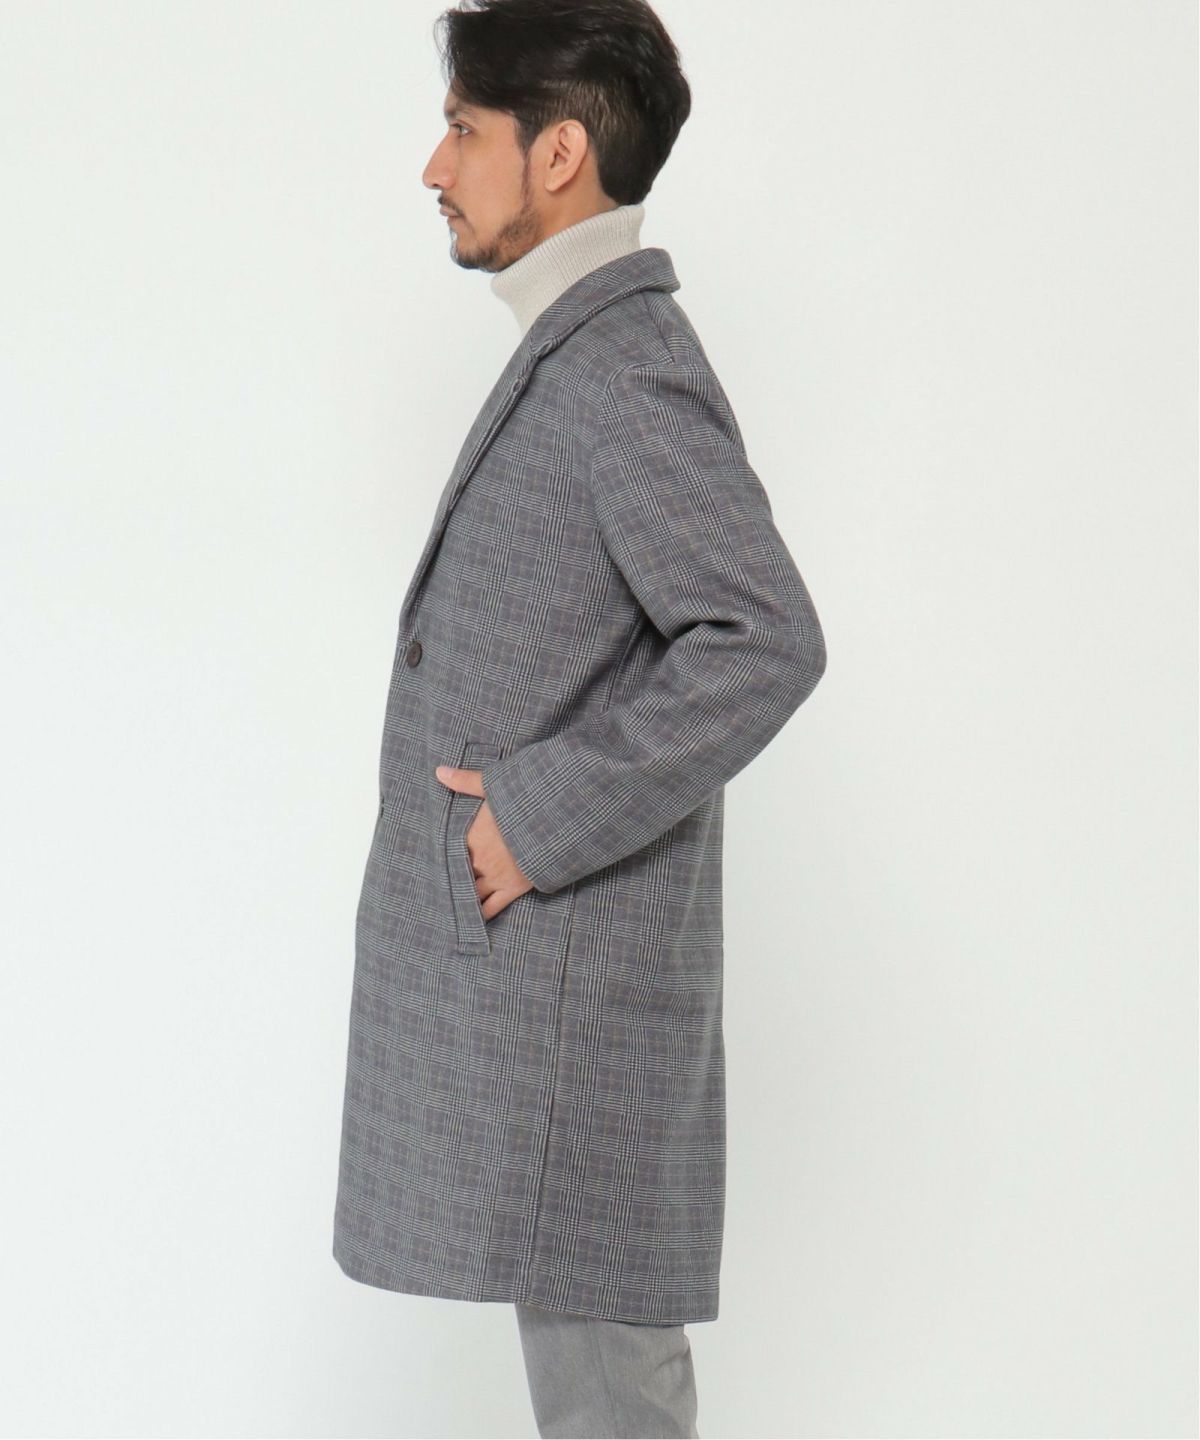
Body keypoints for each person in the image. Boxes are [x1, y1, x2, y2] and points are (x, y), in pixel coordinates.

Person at [332, 2, 828, 1435]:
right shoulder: (580, 350)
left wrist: (536, 819)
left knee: (611, 1399)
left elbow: (764, 640)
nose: (435, 167)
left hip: (576, 1012)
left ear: (557, 154)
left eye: (463, 130)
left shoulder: (622, 366)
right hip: (553, 1006)